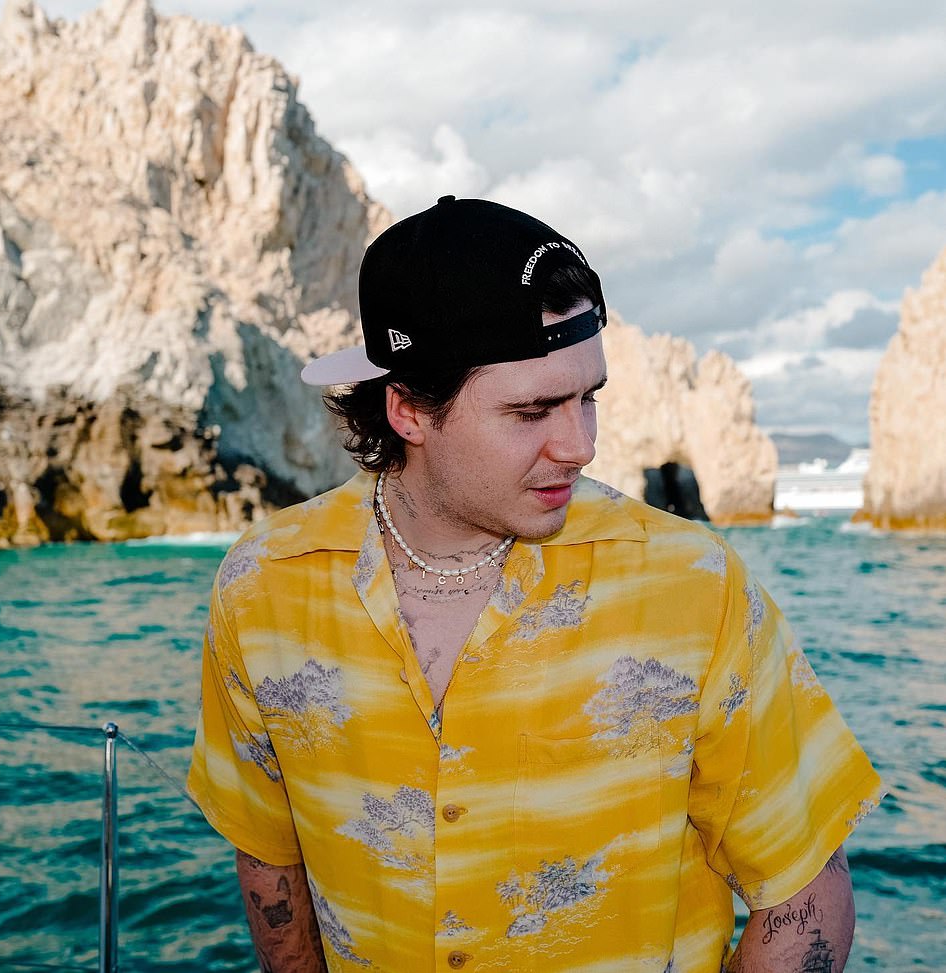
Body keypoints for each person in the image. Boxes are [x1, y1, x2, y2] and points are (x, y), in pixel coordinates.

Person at [187, 196, 882, 973]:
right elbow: (269, 861)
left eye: (589, 396)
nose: (581, 444)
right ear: (409, 409)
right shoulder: (263, 588)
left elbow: (804, 892)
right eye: (533, 410)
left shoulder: (693, 586)